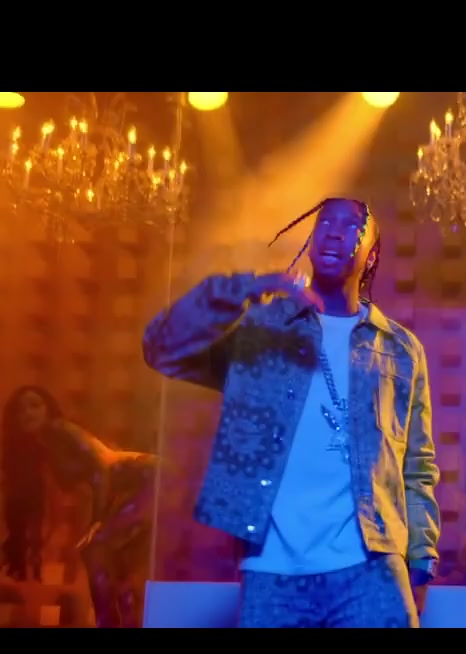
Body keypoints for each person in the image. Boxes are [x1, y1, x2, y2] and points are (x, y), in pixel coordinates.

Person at [141, 197, 441, 628]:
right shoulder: (262, 330)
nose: (334, 231)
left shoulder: (399, 349)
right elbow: (162, 348)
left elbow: (418, 463)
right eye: (325, 222)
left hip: (372, 567)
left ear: (372, 254)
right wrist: (247, 288)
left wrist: (422, 556)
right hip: (271, 569)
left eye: (352, 225)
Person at [0, 385, 156, 628]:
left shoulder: (60, 429)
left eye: (34, 405)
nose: (27, 413)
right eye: (20, 409)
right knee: (108, 556)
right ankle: (123, 619)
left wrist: (98, 519)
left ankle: (110, 621)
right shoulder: (44, 449)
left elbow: (101, 467)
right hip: (136, 487)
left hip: (154, 478)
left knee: (96, 549)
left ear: (49, 409)